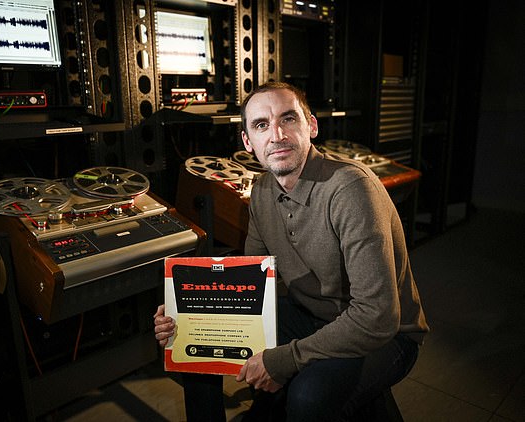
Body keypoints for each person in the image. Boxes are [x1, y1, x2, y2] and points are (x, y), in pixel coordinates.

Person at [154, 81, 429, 421]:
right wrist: (188, 309)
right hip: (314, 315)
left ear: (310, 125)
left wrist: (284, 359)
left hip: (388, 336)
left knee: (307, 397)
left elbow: (377, 317)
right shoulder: (262, 191)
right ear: (247, 142)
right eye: (261, 125)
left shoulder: (351, 190)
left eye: (288, 119)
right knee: (188, 336)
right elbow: (249, 282)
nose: (277, 135)